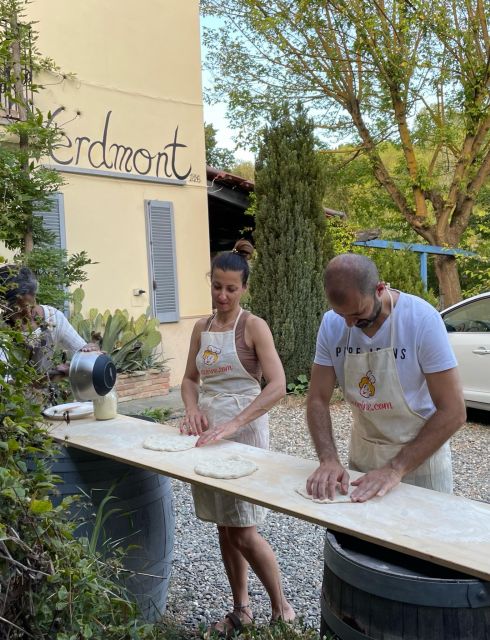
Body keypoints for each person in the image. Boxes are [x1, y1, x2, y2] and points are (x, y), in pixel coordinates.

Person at [180, 239, 295, 636]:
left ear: (244, 288)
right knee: (224, 526)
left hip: (244, 434)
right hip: (208, 435)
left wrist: (235, 423)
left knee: (244, 528)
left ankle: (283, 610)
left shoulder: (254, 327)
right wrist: (192, 410)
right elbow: (190, 381)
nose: (223, 295)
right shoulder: (201, 327)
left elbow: (278, 386)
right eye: (216, 286)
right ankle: (241, 610)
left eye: (231, 288)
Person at [306, 253, 466, 503]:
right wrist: (328, 459)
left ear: (380, 289)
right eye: (341, 315)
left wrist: (395, 468)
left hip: (419, 464)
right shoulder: (331, 324)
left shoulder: (421, 320)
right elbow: (317, 398)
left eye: (357, 314)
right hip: (363, 457)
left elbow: (454, 411)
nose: (348, 324)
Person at [0, 264, 97, 403]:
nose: (27, 315)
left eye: (31, 308)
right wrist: (51, 375)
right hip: (13, 414)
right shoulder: (2, 331)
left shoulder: (53, 318)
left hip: (47, 407)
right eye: (19, 312)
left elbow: (82, 351)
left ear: (34, 296)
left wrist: (89, 354)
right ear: (4, 306)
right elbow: (6, 387)